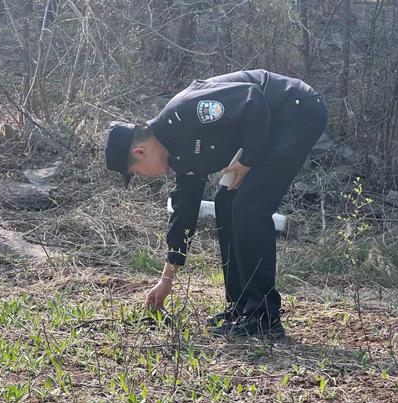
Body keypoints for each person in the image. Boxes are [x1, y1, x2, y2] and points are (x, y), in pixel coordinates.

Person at [105, 69, 327, 338]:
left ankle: (263, 318)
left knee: (249, 207)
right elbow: (184, 210)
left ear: (139, 152)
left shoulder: (184, 113)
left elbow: (251, 98)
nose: (143, 177)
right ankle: (242, 307)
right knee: (226, 203)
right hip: (270, 125)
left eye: (137, 173)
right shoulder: (177, 151)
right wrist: (166, 280)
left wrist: (247, 161)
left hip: (295, 111)